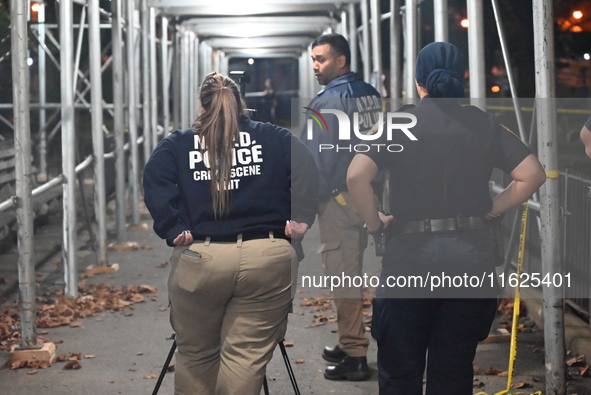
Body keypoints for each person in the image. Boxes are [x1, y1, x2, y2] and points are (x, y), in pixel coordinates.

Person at [346, 42, 546, 395]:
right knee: (453, 369)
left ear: (419, 81)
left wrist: (376, 223)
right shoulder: (485, 124)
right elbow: (532, 174)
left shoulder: (399, 123)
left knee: (400, 368)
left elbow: (355, 176)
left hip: (409, 258)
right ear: (463, 77)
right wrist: (492, 210)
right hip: (471, 254)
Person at [143, 72, 318, 395]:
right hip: (266, 256)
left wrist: (173, 227)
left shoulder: (178, 144)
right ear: (242, 104)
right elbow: (309, 169)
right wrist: (301, 219)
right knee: (245, 357)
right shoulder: (275, 138)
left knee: (196, 353)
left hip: (201, 257)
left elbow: (155, 179)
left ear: (202, 106)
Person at [303, 33, 381, 381]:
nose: (315, 66)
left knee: (343, 275)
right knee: (354, 270)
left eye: (321, 59)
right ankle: (353, 339)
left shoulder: (325, 103)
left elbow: (316, 160)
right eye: (314, 60)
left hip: (338, 199)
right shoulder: (370, 94)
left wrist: (305, 204)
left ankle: (355, 354)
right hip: (369, 197)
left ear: (341, 61)